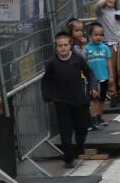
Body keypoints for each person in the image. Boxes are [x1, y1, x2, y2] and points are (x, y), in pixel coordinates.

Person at [41, 31, 98, 166]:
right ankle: (68, 158)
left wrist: (93, 87)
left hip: (79, 100)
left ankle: (79, 146)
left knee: (81, 130)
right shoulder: (52, 63)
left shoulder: (78, 59)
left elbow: (90, 73)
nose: (63, 48)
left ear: (70, 45)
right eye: (59, 46)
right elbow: (46, 80)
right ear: (56, 47)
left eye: (65, 45)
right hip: (62, 102)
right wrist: (47, 96)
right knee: (65, 131)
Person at [82, 23, 111, 130]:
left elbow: (109, 63)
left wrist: (111, 76)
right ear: (90, 35)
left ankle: (99, 117)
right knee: (94, 98)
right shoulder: (86, 49)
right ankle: (93, 118)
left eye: (101, 35)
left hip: (104, 77)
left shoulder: (105, 48)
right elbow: (84, 64)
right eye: (95, 34)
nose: (98, 37)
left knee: (102, 98)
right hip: (92, 79)